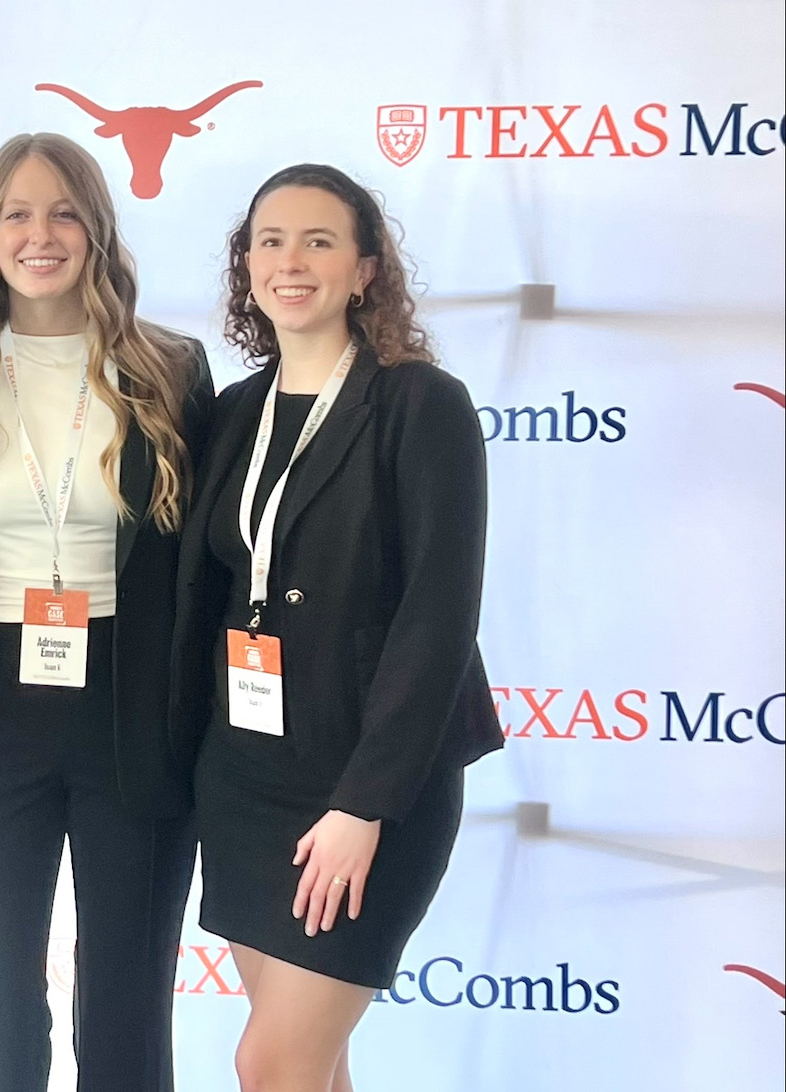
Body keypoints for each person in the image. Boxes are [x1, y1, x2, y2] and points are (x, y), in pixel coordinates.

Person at [171, 164, 501, 1092]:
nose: (291, 261)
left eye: (319, 240)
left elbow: (439, 616)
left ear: (364, 270)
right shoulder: (233, 413)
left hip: (366, 788)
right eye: (270, 241)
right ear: (246, 267)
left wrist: (365, 806)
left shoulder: (419, 404)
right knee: (311, 1067)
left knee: (270, 1064)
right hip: (247, 780)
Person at [0, 132, 214, 1092]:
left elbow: (200, 558)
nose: (41, 235)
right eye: (17, 214)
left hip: (131, 697)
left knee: (125, 998)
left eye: (64, 211)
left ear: (97, 228)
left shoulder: (169, 366)